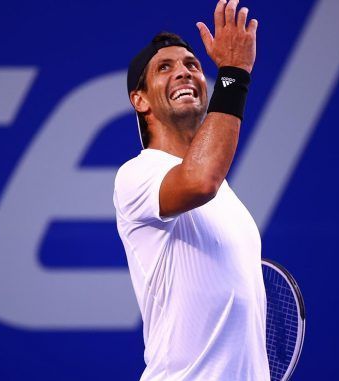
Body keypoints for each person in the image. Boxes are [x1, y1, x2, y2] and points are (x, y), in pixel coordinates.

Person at [112, 0, 269, 380]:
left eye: (192, 66)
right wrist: (233, 73)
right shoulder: (137, 175)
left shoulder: (227, 196)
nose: (183, 73)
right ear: (141, 100)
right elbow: (200, 180)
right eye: (164, 68)